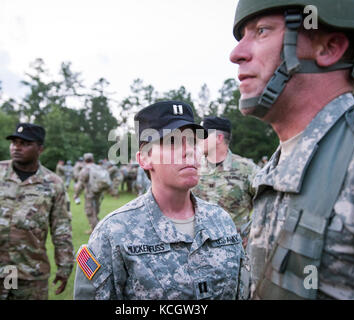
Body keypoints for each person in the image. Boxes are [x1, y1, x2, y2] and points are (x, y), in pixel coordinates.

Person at [230, 0, 354, 299]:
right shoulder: (275, 168)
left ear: (328, 48)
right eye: (242, 35)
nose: (236, 53)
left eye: (262, 31)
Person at [73, 100, 249, 300]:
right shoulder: (113, 234)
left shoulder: (222, 221)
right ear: (145, 159)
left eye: (192, 141)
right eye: (173, 141)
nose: (189, 150)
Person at [0, 123, 74, 300]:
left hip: (30, 273)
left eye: (25, 143)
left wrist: (64, 265)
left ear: (40, 148)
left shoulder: (53, 183)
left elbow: (61, 228)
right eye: (14, 142)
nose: (17, 147)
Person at [192, 116, 259, 246]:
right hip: (198, 251)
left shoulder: (247, 169)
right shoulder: (194, 167)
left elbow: (269, 203)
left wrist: (252, 232)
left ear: (219, 138)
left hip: (234, 253)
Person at [73, 153, 112, 234]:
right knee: (96, 210)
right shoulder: (98, 167)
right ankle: (96, 228)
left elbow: (80, 184)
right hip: (99, 192)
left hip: (90, 194)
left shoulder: (85, 169)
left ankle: (96, 232)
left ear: (84, 160)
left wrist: (76, 194)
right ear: (93, 159)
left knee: (90, 212)